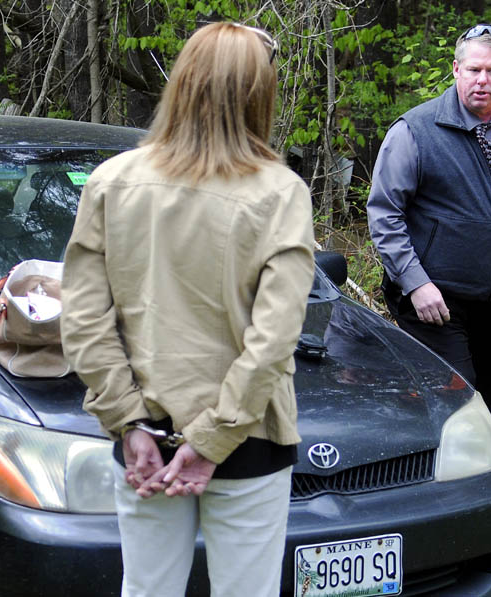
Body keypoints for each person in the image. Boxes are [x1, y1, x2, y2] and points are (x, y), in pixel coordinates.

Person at [60, 22, 315, 596]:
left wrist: (129, 424)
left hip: (146, 436)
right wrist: (211, 439)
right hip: (249, 439)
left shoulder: (111, 182)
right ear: (258, 94)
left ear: (183, 83)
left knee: (147, 589)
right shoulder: (279, 193)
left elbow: (82, 322)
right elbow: (274, 340)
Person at [366, 23, 491, 421]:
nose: (482, 80)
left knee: (487, 402)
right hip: (432, 299)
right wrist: (415, 283)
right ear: (456, 70)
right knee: (456, 407)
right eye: (474, 70)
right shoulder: (416, 130)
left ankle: (476, 482)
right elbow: (383, 212)